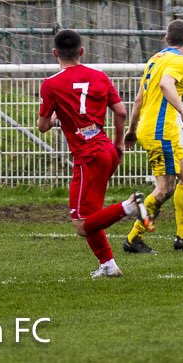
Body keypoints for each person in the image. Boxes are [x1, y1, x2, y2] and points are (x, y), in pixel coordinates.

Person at [36, 29, 153, 278]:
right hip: (107, 150)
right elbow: (120, 111)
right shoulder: (99, 76)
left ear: (55, 53)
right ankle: (108, 264)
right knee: (93, 214)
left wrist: (58, 116)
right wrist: (119, 143)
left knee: (81, 224)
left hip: (87, 157)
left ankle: (129, 208)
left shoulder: (50, 84)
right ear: (81, 51)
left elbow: (43, 126)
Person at [123, 19, 183, 254]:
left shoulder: (155, 59)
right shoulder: (178, 60)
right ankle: (134, 238)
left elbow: (139, 98)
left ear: (166, 39)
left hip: (152, 129)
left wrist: (131, 130)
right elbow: (165, 85)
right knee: (164, 190)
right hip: (161, 132)